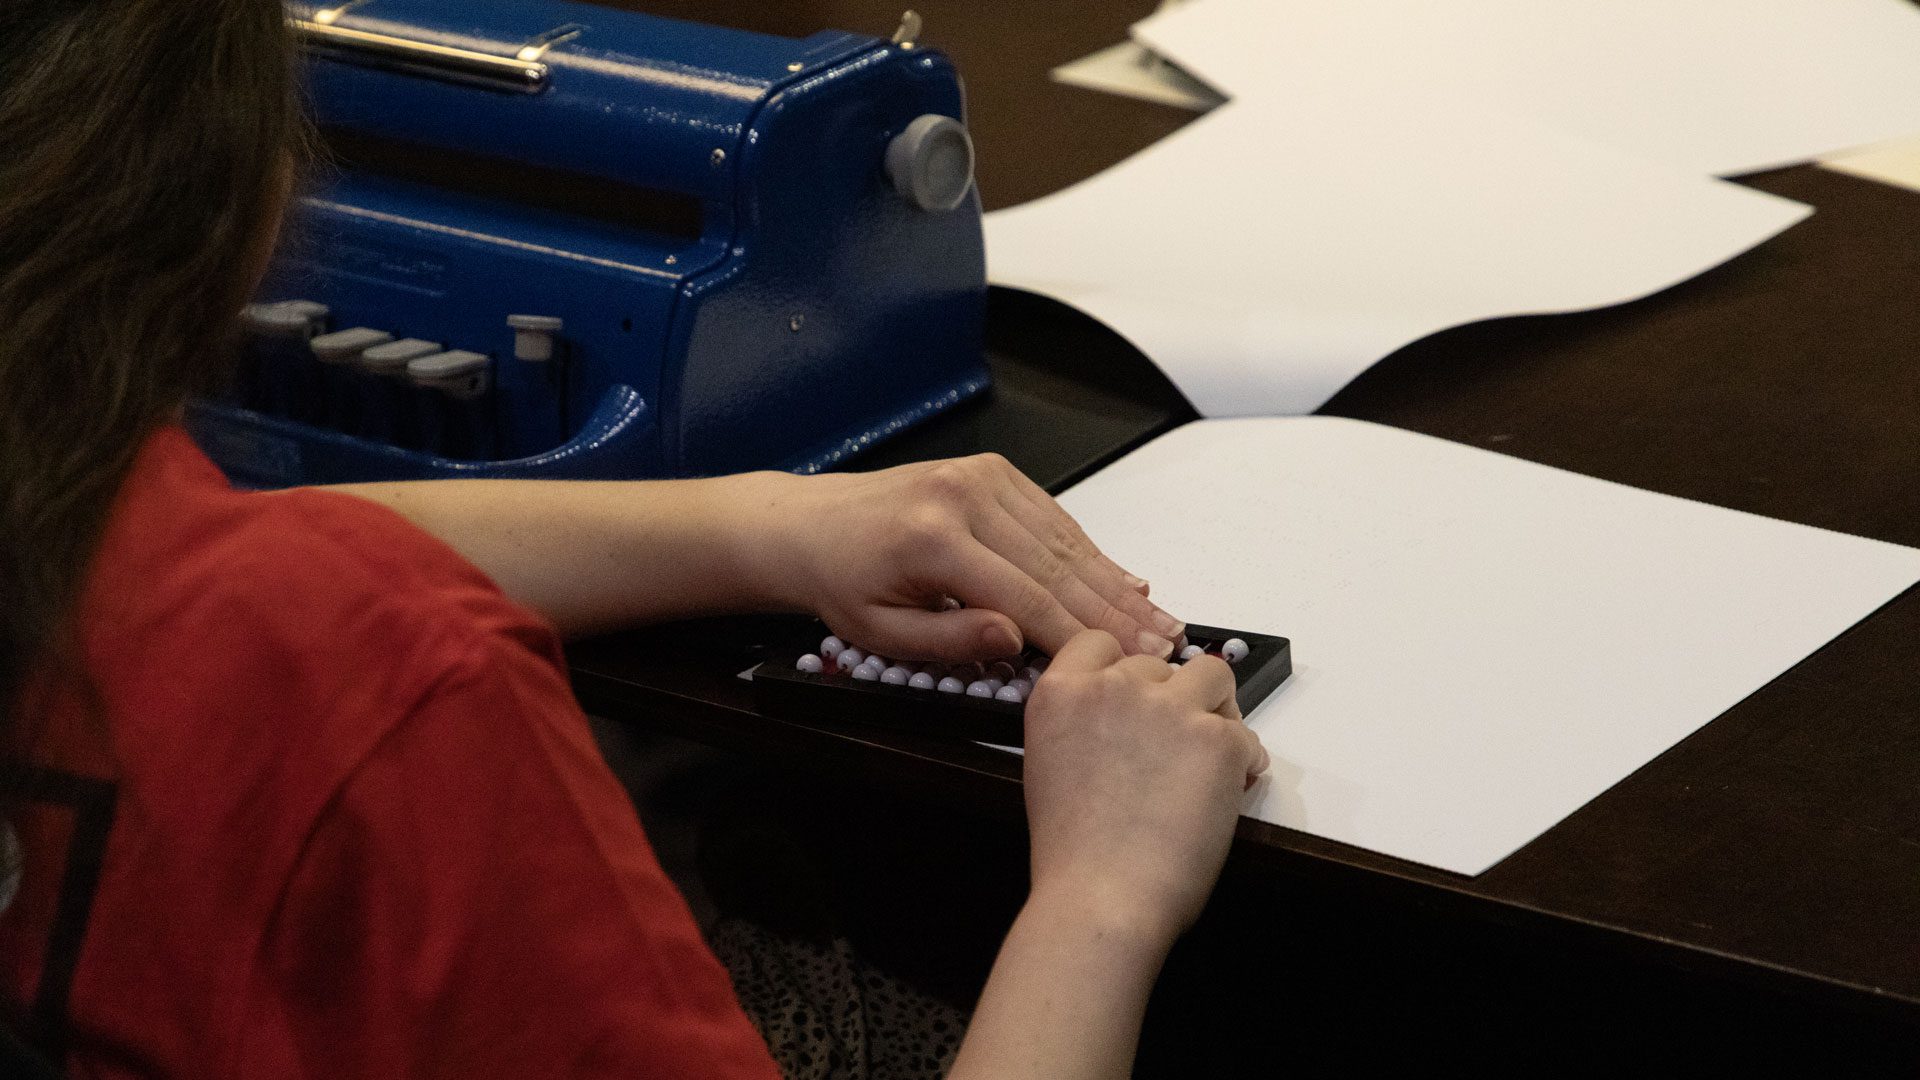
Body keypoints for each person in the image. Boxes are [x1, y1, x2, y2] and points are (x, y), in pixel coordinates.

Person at [0, 2, 1269, 1077]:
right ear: (249, 196)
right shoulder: (393, 690)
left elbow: (209, 563)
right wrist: (1102, 899)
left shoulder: (91, 534)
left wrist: (759, 522)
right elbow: (294, 619)